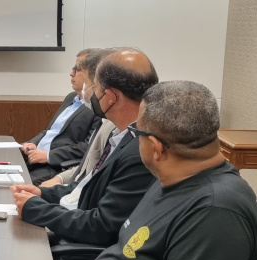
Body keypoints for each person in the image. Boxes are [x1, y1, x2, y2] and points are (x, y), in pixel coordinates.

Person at [61, 81, 257, 260]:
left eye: (136, 132)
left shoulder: (214, 212)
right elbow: (127, 247)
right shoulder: (172, 177)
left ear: (157, 147)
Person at [11, 49, 157, 246]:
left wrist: (38, 210)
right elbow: (85, 191)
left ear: (111, 97)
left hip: (79, 249)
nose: (89, 95)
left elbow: (102, 227)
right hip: (70, 221)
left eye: (94, 87)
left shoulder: (140, 151)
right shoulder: (120, 136)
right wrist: (43, 194)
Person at [21, 49, 101, 185]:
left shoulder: (98, 107)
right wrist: (32, 143)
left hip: (54, 167)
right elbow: (50, 131)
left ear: (94, 74)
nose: (71, 74)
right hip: (33, 158)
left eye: (77, 69)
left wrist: (48, 156)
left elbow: (89, 147)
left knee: (15, 189)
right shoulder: (71, 98)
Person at [41, 48, 117, 188]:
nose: (71, 74)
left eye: (88, 84)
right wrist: (60, 179)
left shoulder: (112, 125)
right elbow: (88, 166)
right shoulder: (106, 122)